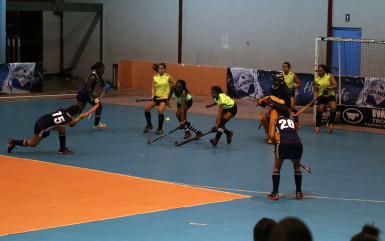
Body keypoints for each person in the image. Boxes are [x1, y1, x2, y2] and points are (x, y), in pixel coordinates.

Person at [7, 105, 86, 154]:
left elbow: (69, 121)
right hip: (41, 127)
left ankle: (62, 149)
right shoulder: (67, 119)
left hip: (42, 119)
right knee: (33, 144)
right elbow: (72, 123)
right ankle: (13, 142)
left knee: (62, 128)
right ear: (75, 114)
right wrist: (80, 118)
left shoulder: (63, 109)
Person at [267, 104, 303, 200]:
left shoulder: (275, 121)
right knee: (297, 167)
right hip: (297, 143)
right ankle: (299, 193)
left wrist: (275, 145)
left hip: (283, 143)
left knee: (276, 168)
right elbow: (295, 134)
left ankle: (275, 193)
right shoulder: (293, 121)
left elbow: (272, 136)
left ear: (278, 113)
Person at [143, 63, 176, 134]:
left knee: (160, 110)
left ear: (165, 69)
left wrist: (173, 94)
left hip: (164, 98)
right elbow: (153, 87)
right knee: (147, 108)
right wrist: (152, 95)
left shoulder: (168, 77)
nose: (160, 70)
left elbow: (176, 84)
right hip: (156, 97)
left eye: (162, 68)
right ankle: (149, 125)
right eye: (159, 68)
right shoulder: (155, 77)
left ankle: (159, 128)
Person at [76, 62, 110, 129]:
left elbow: (102, 82)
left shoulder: (98, 75)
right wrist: (93, 96)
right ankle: (96, 124)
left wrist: (106, 86)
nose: (104, 70)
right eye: (103, 69)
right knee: (99, 106)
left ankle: (96, 124)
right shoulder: (93, 77)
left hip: (86, 94)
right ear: (98, 69)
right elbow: (87, 89)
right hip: (84, 94)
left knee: (79, 110)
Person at [313, 64, 338, 134]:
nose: (319, 72)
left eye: (321, 71)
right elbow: (315, 90)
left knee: (333, 107)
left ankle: (330, 125)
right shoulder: (316, 79)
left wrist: (328, 88)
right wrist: (315, 97)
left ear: (324, 71)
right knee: (320, 108)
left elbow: (335, 85)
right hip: (321, 96)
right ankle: (317, 127)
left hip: (330, 95)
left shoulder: (329, 76)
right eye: (318, 71)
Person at [282, 62, 302, 128]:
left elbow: (299, 84)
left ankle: (296, 122)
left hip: (290, 93)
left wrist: (294, 87)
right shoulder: (280, 75)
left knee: (292, 106)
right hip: (283, 93)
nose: (284, 68)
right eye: (283, 67)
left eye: (286, 67)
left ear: (289, 68)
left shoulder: (293, 75)